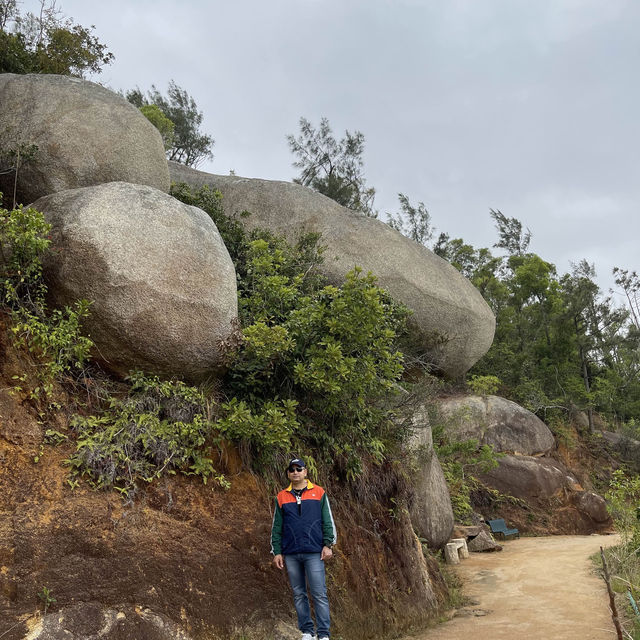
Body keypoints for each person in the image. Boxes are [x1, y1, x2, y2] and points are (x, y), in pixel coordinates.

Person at [271, 457, 337, 640]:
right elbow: (277, 526)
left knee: (319, 593)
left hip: (314, 552)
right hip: (291, 553)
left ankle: (323, 635)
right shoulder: (281, 496)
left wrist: (328, 544)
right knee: (299, 594)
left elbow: (327, 520)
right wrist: (277, 551)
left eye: (299, 469)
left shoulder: (319, 492)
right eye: (291, 470)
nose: (295, 472)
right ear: (288, 473)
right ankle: (307, 632)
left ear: (305, 472)